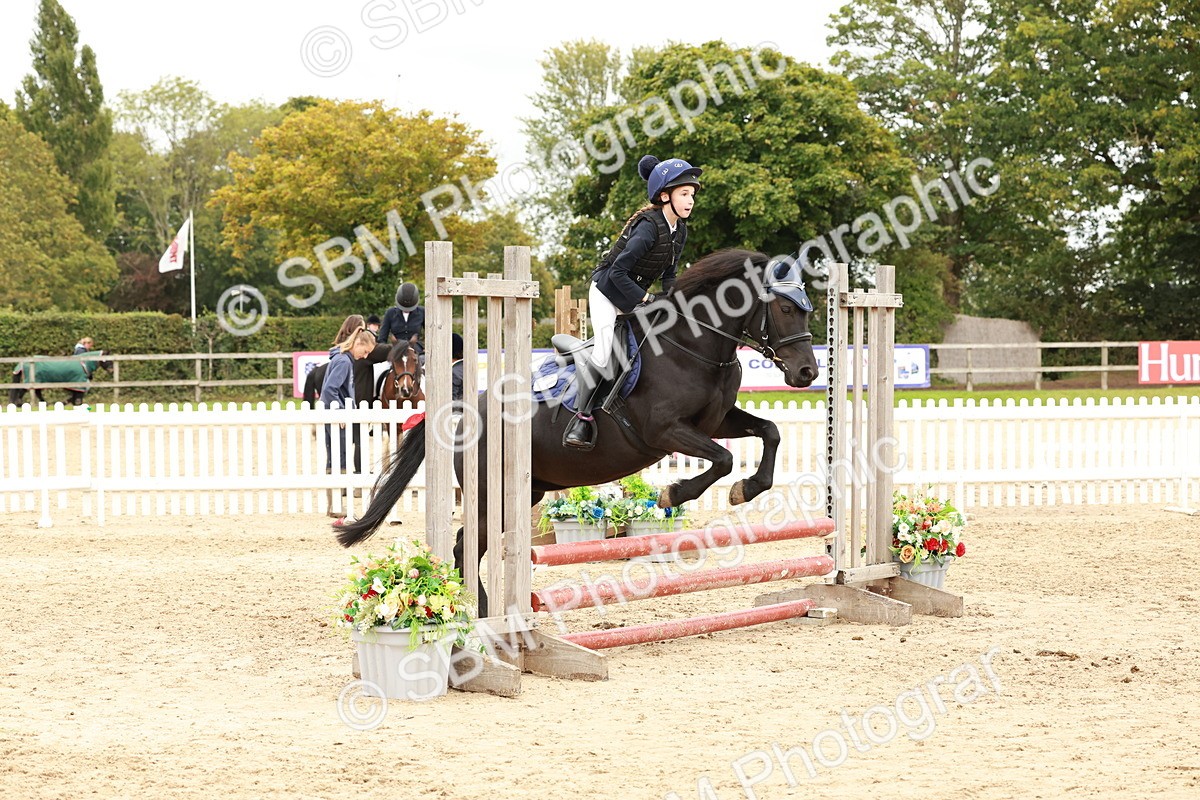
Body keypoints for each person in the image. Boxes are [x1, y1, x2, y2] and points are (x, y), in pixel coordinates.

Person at [563, 155, 701, 450]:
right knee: (602, 356)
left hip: (633, 295)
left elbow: (669, 274)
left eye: (692, 194)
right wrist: (648, 299)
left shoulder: (680, 231)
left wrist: (676, 301)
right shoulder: (648, 227)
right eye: (684, 194)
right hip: (606, 292)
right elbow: (617, 271)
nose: (690, 200)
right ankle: (581, 419)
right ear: (665, 196)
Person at [320, 327, 377, 517]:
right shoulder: (344, 361)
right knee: (339, 458)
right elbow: (329, 390)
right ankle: (336, 505)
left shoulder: (343, 359)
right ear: (358, 343)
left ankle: (334, 504)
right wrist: (341, 412)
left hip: (337, 416)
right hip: (338, 418)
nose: (365, 356)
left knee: (336, 458)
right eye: (366, 351)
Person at [376, 282, 425, 347]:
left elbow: (430, 334)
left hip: (416, 350)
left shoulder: (422, 312)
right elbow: (382, 338)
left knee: (422, 357)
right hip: (396, 349)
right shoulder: (390, 313)